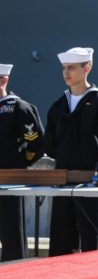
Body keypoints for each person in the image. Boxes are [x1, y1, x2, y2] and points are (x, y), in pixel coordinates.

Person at [44, 47, 98, 256]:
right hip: (62, 178)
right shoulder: (58, 106)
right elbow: (50, 144)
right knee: (62, 234)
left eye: (71, 67)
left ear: (87, 68)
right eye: (64, 68)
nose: (66, 73)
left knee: (92, 235)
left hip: (91, 180)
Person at [0, 63, 44, 261]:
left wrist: (18, 164)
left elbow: (35, 145)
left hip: (10, 180)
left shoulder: (19, 108)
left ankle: (13, 272)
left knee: (11, 231)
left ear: (4, 80)